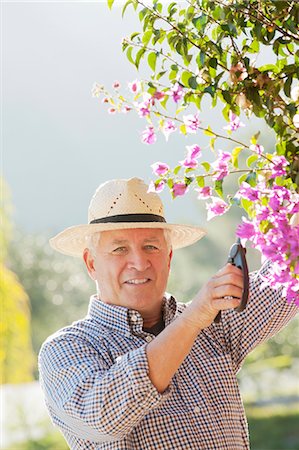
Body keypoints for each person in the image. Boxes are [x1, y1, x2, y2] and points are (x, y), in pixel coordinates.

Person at [39, 177, 297, 450]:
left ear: (169, 256)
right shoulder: (66, 348)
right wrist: (196, 316)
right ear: (91, 263)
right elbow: (102, 417)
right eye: (119, 249)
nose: (139, 263)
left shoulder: (216, 322)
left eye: (151, 246)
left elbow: (288, 274)